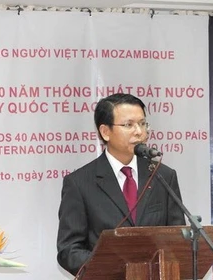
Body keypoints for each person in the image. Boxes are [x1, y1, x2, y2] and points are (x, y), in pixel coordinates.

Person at [57, 93, 186, 276]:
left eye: (142, 123)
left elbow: (177, 240)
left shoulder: (162, 176)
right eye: (129, 125)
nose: (139, 132)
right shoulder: (79, 183)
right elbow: (69, 250)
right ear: (105, 132)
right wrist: (112, 268)